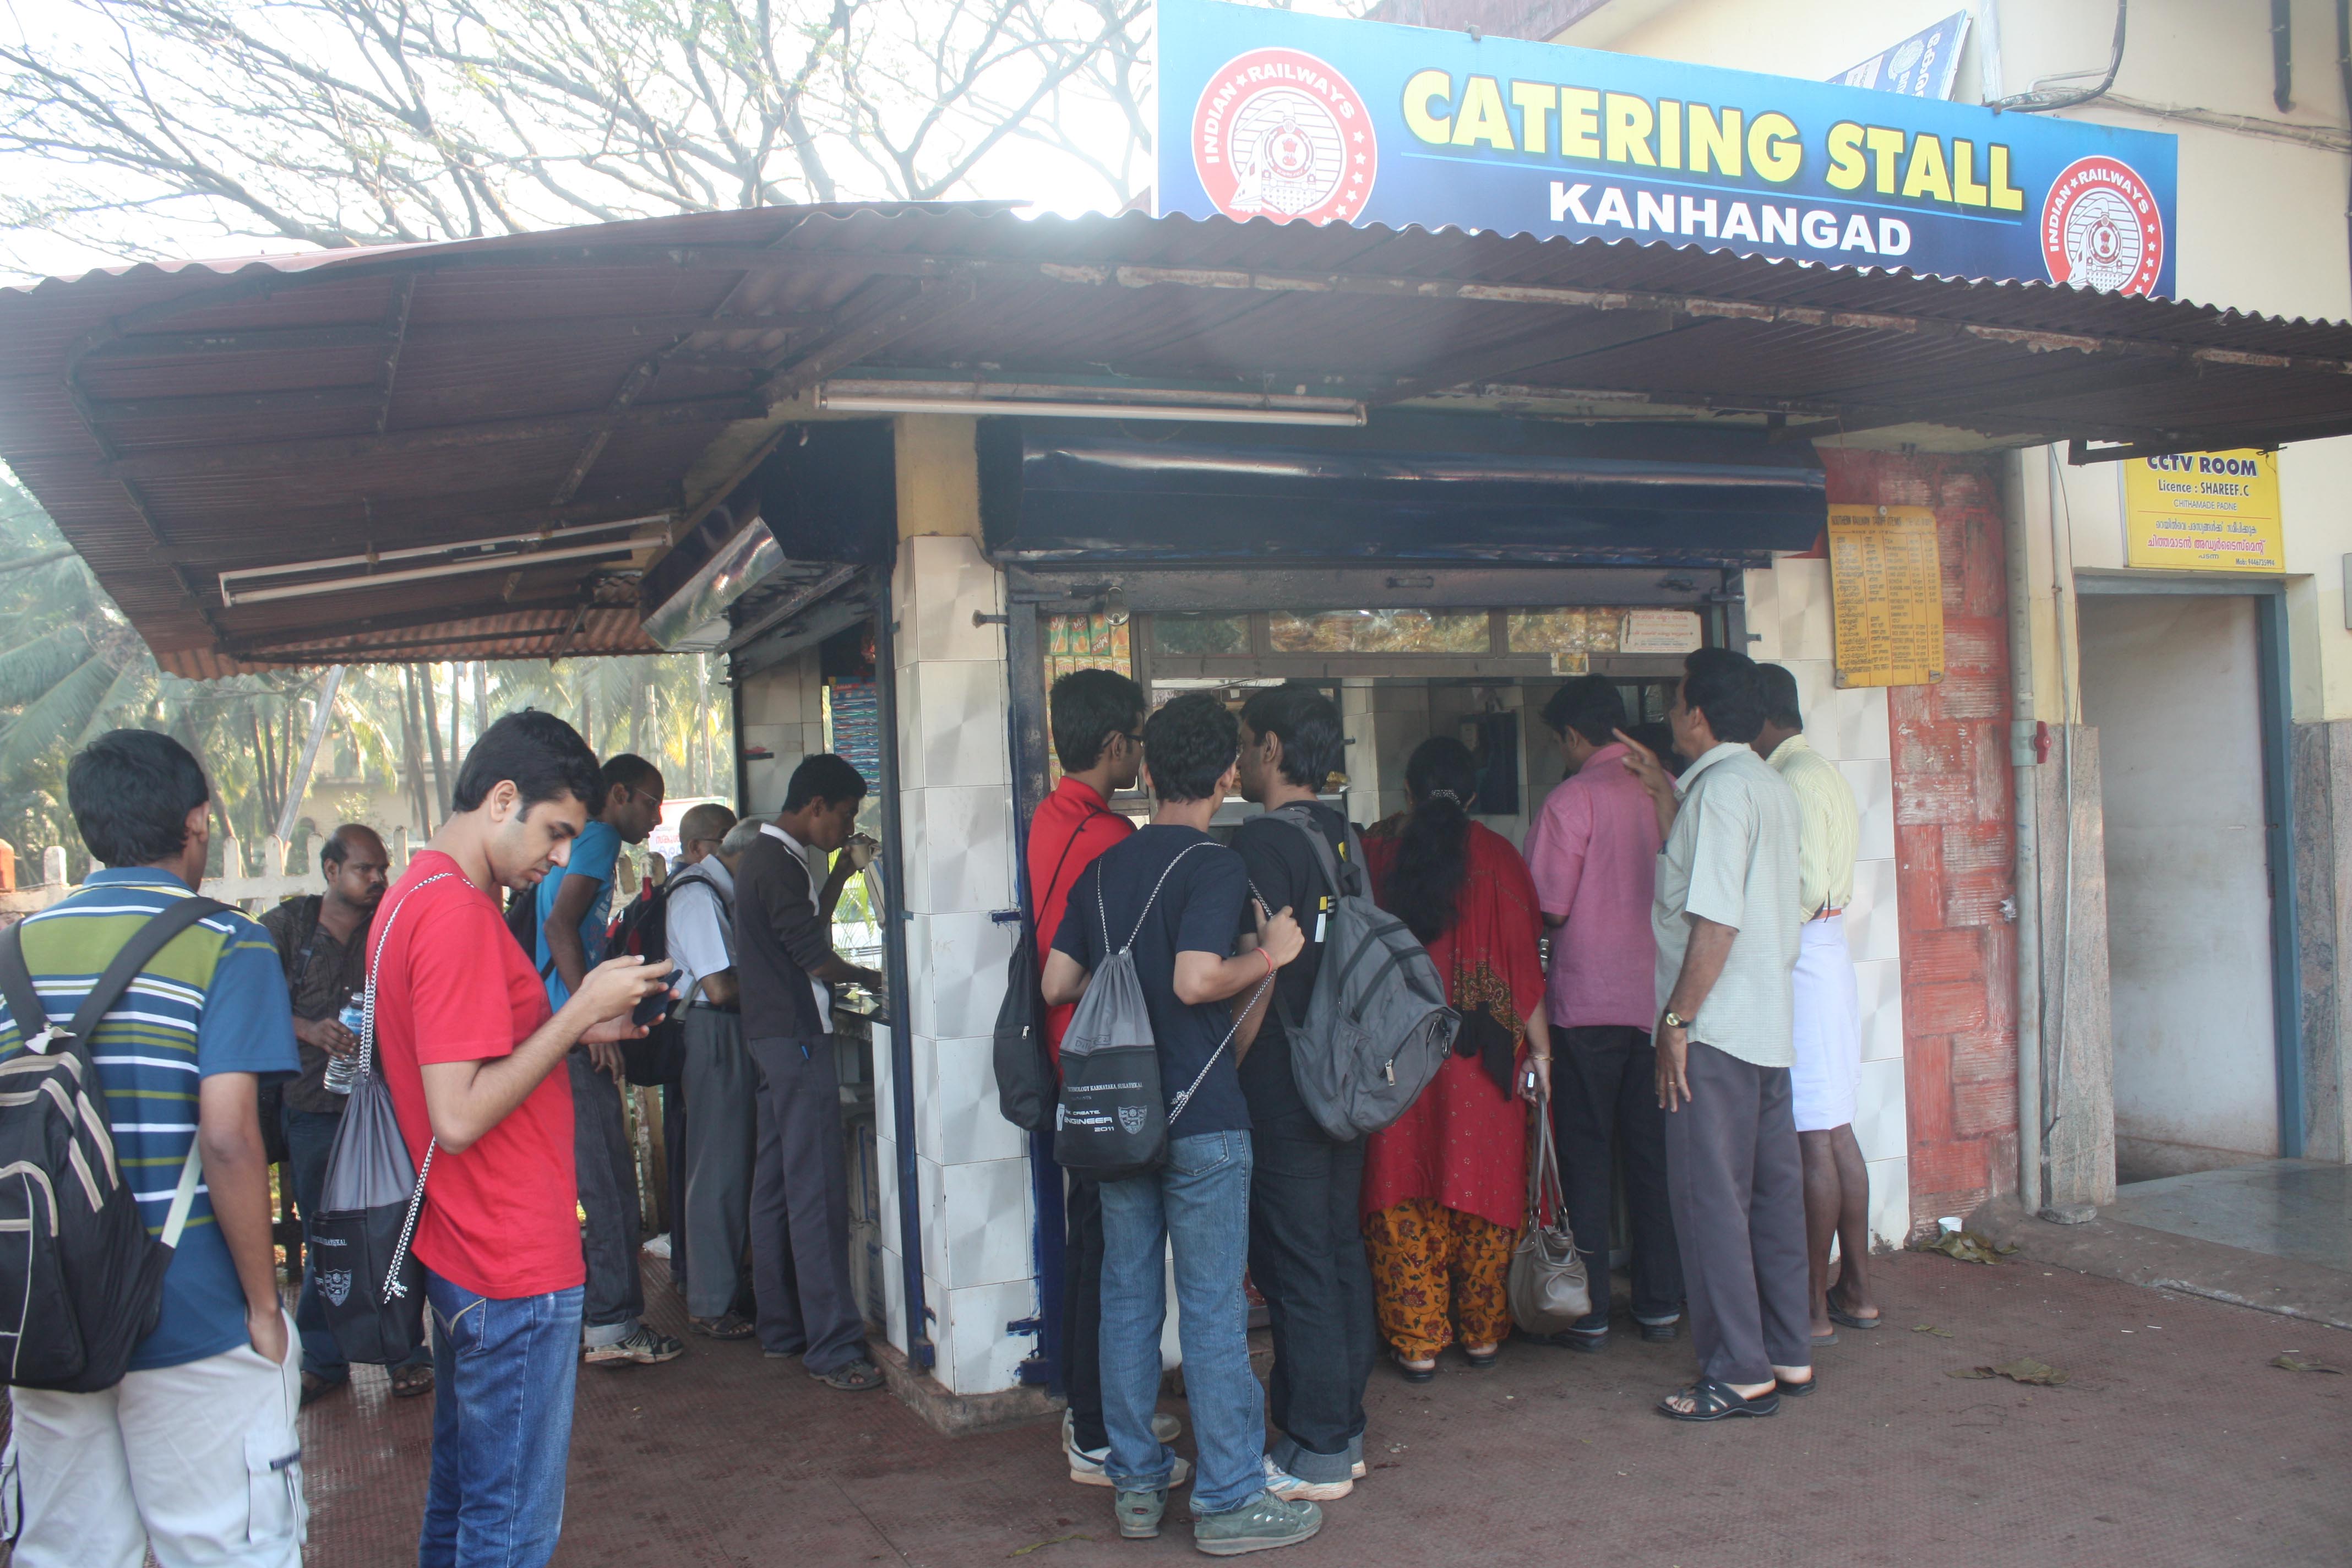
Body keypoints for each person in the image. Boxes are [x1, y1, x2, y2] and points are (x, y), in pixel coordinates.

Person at [373, 710, 671, 1568]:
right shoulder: (460, 917)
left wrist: (579, 1030)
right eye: (553, 831)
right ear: (503, 799)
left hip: (465, 1249)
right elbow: (458, 1115)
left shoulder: (412, 895)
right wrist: (576, 1009)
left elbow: (459, 1063)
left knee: (465, 1508)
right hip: (509, 1261)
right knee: (506, 1535)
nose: (556, 857)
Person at [1, 729, 303, 1568]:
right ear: (197, 821)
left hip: (44, 1318)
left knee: (70, 1554)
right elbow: (230, 1138)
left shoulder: (11, 958)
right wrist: (264, 1309)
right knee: (224, 1548)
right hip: (191, 1309)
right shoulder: (227, 947)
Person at [1043, 692, 1324, 1556]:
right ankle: (1232, 1498)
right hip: (1202, 1118)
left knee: (1128, 1300)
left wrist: (1121, 983)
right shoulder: (1212, 865)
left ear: (1152, 770)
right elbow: (1199, 981)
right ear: (1228, 775)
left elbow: (1057, 983)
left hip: (1119, 1124)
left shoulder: (1107, 868)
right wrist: (1271, 954)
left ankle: (1136, 1487)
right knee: (1208, 1309)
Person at [1622, 649, 1813, 1422]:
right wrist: (1665, 801)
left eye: (1676, 705)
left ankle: (1737, 1370)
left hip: (1718, 1030)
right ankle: (1786, 1351)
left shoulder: (1721, 795)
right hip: (1766, 1025)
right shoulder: (1762, 785)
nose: (1672, 717)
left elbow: (1717, 920)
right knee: (1772, 1198)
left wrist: (1677, 1021)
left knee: (1709, 1202)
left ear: (1698, 714)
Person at [1030, 668, 1185, 1485]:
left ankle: (1095, 1407)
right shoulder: (1110, 841)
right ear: (1117, 743)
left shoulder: (1053, 818)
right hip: (1103, 1073)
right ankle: (1097, 1430)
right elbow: (1085, 969)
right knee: (1106, 1252)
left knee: (1091, 1244)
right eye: (1137, 735)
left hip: (1068, 1066)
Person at [1359, 738, 1550, 1380]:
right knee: (1482, 1186)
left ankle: (1416, 1342)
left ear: (1408, 794)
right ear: (1472, 795)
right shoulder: (1499, 859)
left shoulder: (1379, 854)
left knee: (1402, 1188)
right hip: (1482, 1059)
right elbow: (1524, 971)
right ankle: (1483, 1335)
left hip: (1399, 1064)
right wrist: (1544, 1052)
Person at [1227, 683, 1373, 1502]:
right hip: (1350, 1075)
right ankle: (1342, 1429)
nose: (1242, 758)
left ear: (1274, 749)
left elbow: (1258, 972)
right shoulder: (1344, 833)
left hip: (1287, 1075)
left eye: (1248, 743)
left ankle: (1315, 1447)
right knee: (1338, 1247)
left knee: (1296, 1259)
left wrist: (1232, 1073)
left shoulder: (1262, 839)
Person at [1523, 676, 1683, 1353]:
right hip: (1660, 1006)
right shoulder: (1668, 787)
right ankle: (1660, 1306)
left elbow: (1547, 906)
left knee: (1587, 1160)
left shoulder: (1573, 798)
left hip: (1586, 1005)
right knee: (1652, 1160)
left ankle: (1584, 1311)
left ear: (1574, 736)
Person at [261, 823, 435, 1404]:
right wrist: (308, 1029)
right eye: (365, 868)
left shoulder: (391, 922)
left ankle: (406, 1353)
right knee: (328, 1236)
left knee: (396, 1228)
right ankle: (324, 1359)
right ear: (331, 870)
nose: (378, 878)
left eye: (382, 867)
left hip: (387, 1107)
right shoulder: (287, 929)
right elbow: (250, 1007)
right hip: (313, 1108)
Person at [734, 754, 887, 1392]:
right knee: (816, 1193)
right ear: (816, 806)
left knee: (774, 1189)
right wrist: (874, 976)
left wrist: (843, 875)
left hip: (771, 1038)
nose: (846, 829)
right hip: (797, 1040)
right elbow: (816, 959)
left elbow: (808, 927)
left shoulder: (775, 860)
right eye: (845, 816)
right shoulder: (777, 862)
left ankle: (783, 1328)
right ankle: (834, 1346)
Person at [536, 753, 683, 1369]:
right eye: (649, 803)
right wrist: (588, 1018)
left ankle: (603, 1317)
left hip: (562, 1032)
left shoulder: (590, 844)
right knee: (609, 1185)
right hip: (569, 1037)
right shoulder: (595, 841)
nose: (654, 818)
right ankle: (611, 1324)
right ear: (617, 793)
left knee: (604, 1180)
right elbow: (561, 928)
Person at [1752, 663, 1880, 1343]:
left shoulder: (1788, 782)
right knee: (1836, 1129)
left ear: (1764, 718)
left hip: (1804, 956)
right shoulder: (1823, 770)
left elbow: (1798, 889)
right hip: (1830, 955)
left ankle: (1809, 1305)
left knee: (1811, 1137)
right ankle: (1854, 1287)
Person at [666, 801, 758, 1339]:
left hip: (715, 1031)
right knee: (717, 1168)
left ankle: (712, 1282)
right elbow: (720, 988)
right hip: (711, 1030)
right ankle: (711, 1299)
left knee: (719, 1163)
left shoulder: (714, 893)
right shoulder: (698, 896)